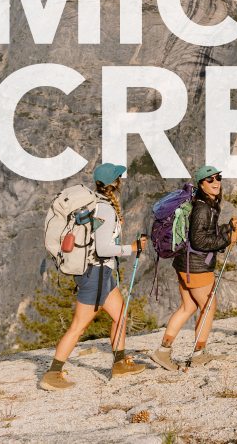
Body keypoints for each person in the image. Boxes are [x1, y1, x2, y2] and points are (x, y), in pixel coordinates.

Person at [39, 163, 147, 390]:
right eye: (119, 178)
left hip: (101, 273)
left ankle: (119, 363)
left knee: (120, 316)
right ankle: (53, 373)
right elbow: (104, 249)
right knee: (78, 326)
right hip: (96, 274)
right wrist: (132, 248)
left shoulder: (97, 205)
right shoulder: (105, 209)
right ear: (115, 183)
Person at [150, 165, 237, 371]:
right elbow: (200, 240)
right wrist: (228, 239)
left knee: (188, 307)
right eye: (210, 180)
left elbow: (203, 232)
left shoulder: (200, 204)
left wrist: (227, 228)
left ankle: (163, 352)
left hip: (184, 263)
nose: (216, 182)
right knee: (208, 306)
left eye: (218, 178)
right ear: (200, 184)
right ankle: (199, 352)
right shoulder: (203, 208)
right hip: (197, 266)